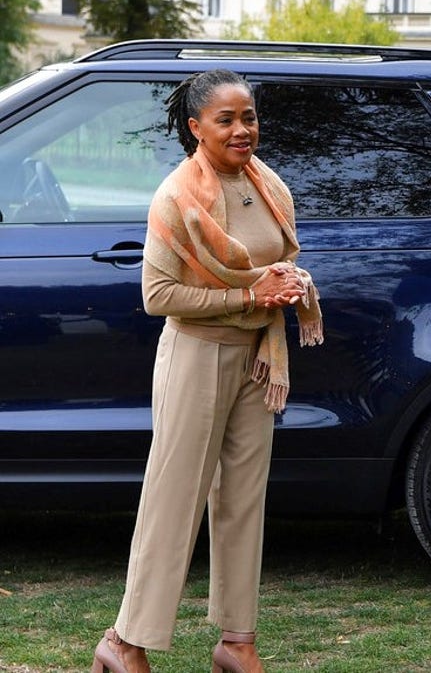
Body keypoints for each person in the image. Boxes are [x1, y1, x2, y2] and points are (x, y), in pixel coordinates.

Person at [91, 69, 323, 673]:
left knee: (243, 500)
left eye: (248, 117)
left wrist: (292, 285)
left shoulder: (267, 184)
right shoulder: (177, 197)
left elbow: (277, 260)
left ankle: (237, 641)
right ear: (196, 128)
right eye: (227, 119)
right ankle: (124, 642)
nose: (243, 129)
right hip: (195, 353)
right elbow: (156, 295)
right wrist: (250, 299)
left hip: (258, 357)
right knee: (175, 499)